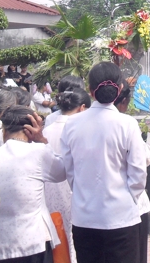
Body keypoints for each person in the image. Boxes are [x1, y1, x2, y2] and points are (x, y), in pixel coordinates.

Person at [61, 62, 147, 263]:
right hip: (121, 215)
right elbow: (138, 173)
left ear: (90, 91)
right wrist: (127, 198)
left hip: (85, 217)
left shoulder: (72, 124)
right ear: (119, 90)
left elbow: (70, 170)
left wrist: (84, 193)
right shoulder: (127, 124)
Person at [0, 106, 66, 262]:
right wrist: (42, 140)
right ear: (33, 129)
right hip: (34, 242)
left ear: (4, 131)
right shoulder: (38, 152)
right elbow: (61, 172)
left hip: (0, 245)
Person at [114, 79, 150, 263]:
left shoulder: (78, 123)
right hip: (129, 207)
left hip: (92, 211)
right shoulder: (127, 124)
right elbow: (142, 160)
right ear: (125, 102)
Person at [44, 88, 92, 263]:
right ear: (82, 108)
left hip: (49, 193)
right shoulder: (80, 130)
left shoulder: (46, 130)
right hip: (75, 191)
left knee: (57, 241)